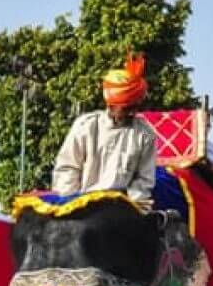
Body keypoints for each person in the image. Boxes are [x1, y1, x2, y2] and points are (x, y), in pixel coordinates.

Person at [51, 51, 157, 209]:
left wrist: (135, 209)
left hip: (120, 208)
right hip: (81, 203)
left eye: (135, 107)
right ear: (111, 105)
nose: (131, 112)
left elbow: (143, 181)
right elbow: (68, 167)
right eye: (126, 108)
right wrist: (71, 203)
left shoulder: (145, 134)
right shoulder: (86, 126)